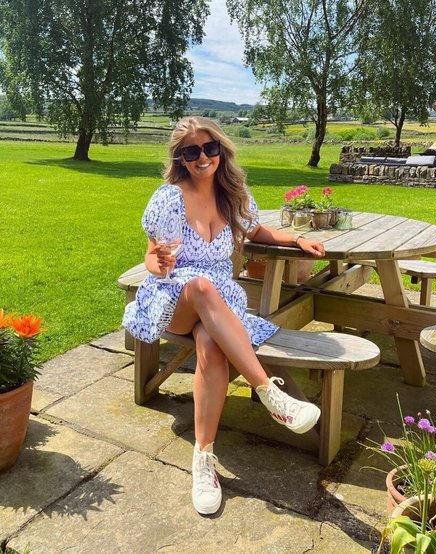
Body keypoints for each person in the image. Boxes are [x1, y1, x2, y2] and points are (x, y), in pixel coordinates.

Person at [123, 116, 325, 515]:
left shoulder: (233, 194)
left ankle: (203, 459)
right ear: (181, 158)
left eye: (210, 148)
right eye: (192, 151)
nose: (203, 157)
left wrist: (297, 239)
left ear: (221, 150)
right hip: (175, 295)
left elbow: (257, 232)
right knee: (200, 287)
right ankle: (270, 392)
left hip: (219, 301)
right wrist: (157, 264)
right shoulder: (169, 198)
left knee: (212, 346)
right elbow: (151, 254)